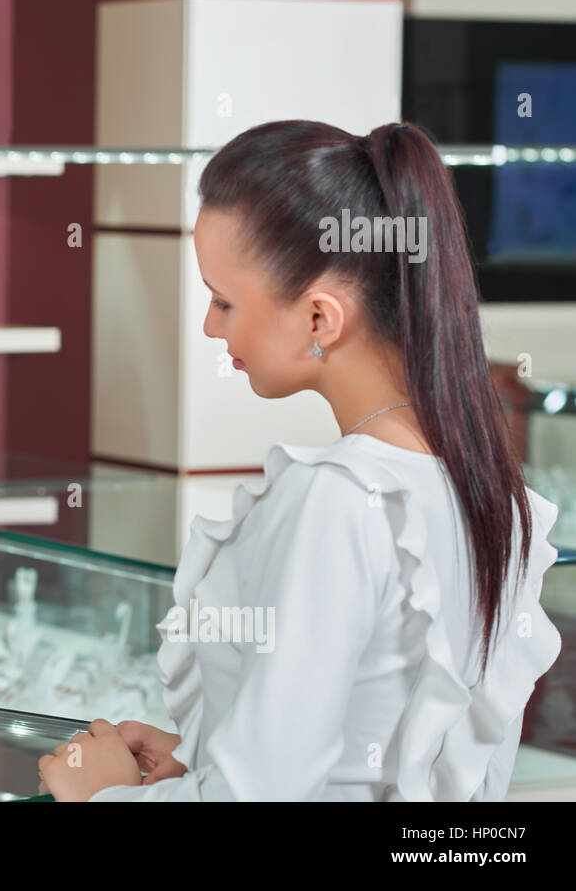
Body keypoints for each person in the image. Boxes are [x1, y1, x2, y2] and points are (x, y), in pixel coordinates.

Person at [38, 119, 563, 801]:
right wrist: (202, 755)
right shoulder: (491, 492)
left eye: (224, 300)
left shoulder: (335, 499)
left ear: (320, 318)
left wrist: (103, 793)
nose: (210, 325)